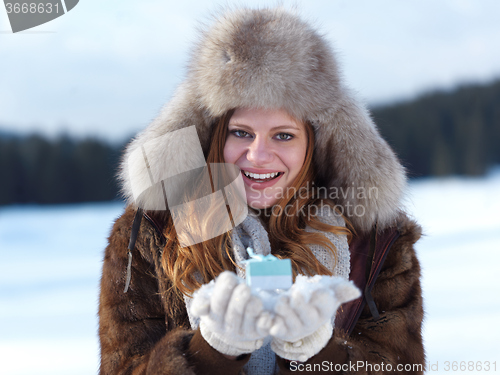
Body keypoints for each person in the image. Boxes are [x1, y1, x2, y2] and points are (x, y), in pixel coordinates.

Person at [98, 7, 425, 375]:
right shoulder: (150, 233)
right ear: (214, 137)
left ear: (314, 145)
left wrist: (318, 352)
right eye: (241, 133)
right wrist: (211, 352)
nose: (258, 155)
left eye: (283, 135)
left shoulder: (374, 239)